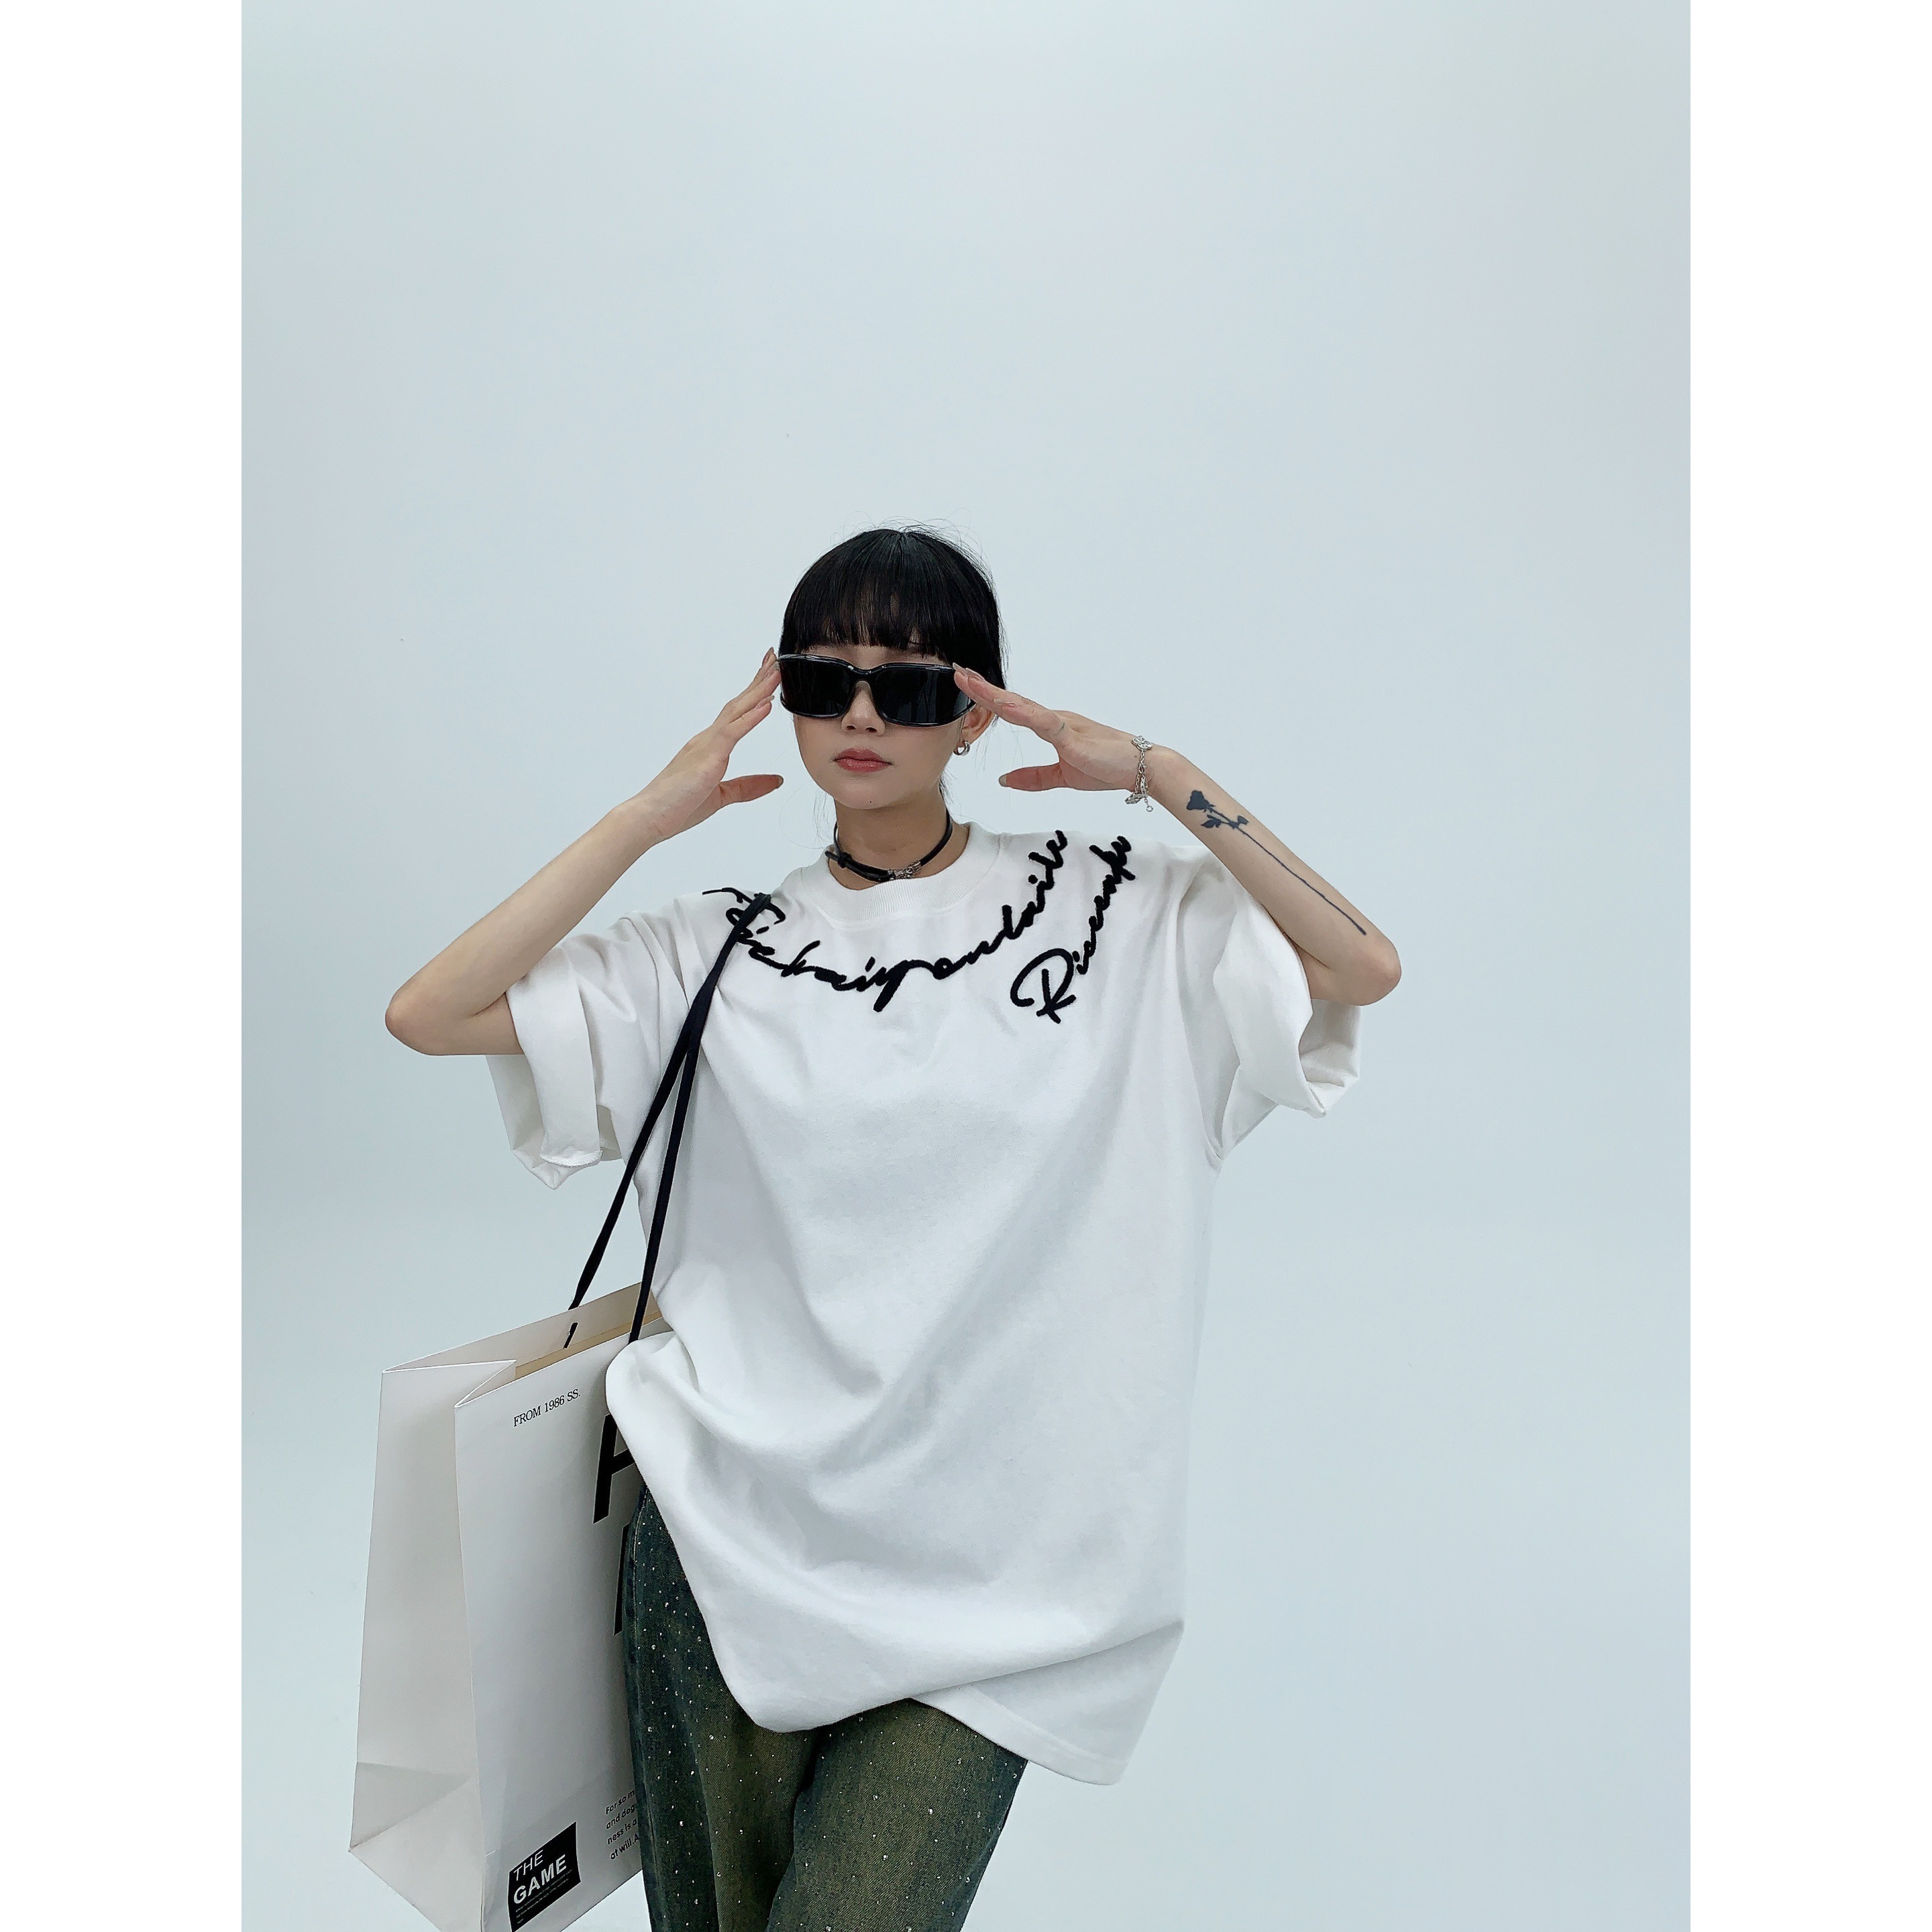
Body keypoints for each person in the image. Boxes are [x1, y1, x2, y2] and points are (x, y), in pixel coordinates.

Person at [385, 527, 1401, 1932]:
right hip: (723, 1546)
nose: (861, 714)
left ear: (977, 711)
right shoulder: (714, 947)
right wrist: (646, 816)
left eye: (910, 685)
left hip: (1003, 1591)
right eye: (824, 679)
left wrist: (1159, 772)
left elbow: (1359, 962)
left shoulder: (1121, 915)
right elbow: (430, 1012)